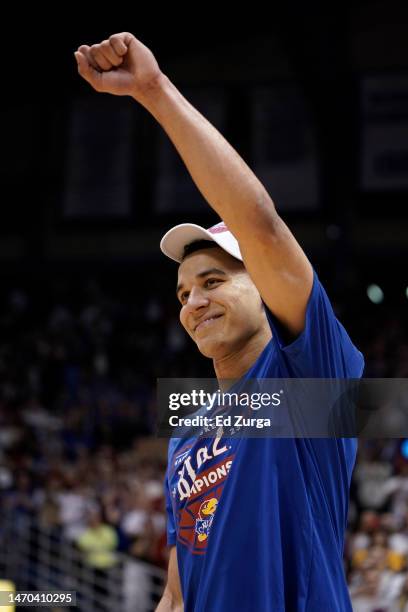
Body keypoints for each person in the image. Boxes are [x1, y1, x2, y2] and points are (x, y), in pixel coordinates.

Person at [75, 32, 365, 612]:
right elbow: (178, 595)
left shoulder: (309, 378)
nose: (193, 302)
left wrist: (154, 92)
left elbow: (259, 223)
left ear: (263, 285)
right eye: (184, 293)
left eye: (213, 282)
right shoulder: (189, 432)